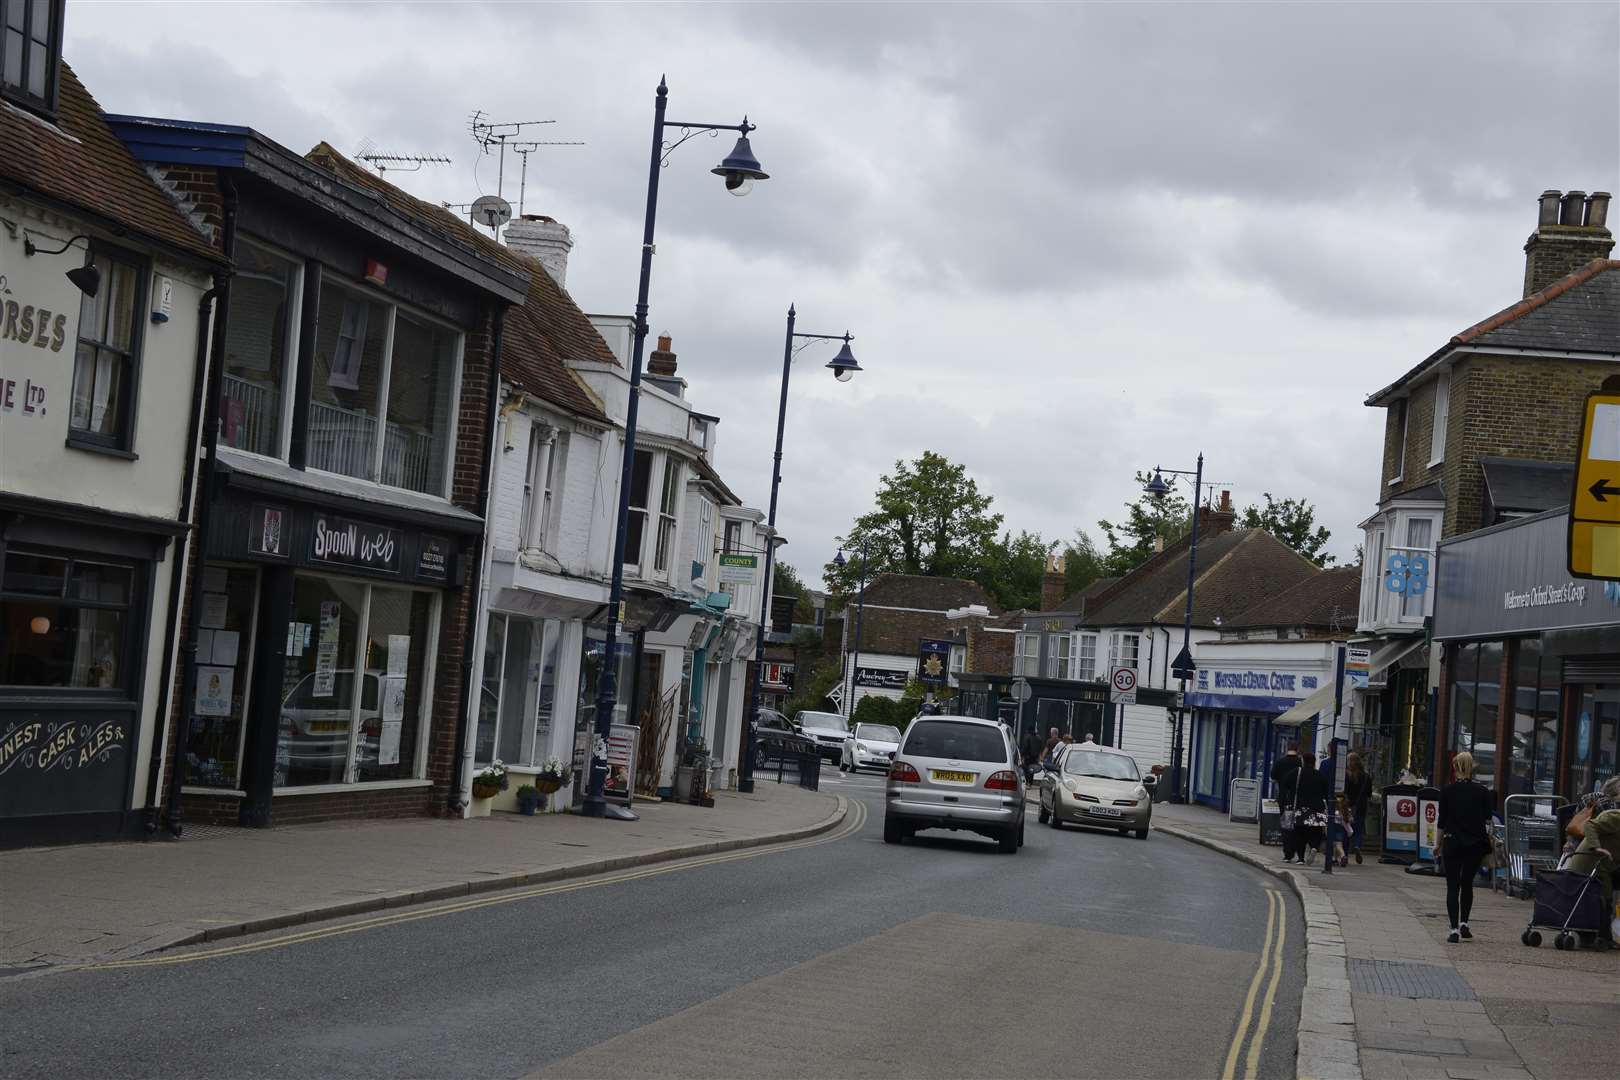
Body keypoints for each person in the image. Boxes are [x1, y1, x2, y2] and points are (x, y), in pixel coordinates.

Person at [1438, 751, 1494, 944]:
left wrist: (1438, 845)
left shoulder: (1447, 791)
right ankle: (1464, 923)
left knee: (1452, 885)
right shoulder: (1482, 792)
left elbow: (1441, 822)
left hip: (1452, 841)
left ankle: (1453, 929)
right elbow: (1488, 820)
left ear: (1455, 767)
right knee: (1467, 883)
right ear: (1472, 768)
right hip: (1475, 844)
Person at [1565, 805, 1620, 948]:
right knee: (1603, 899)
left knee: (1603, 900)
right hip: (1591, 863)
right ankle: (1600, 937)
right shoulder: (1616, 817)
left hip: (1601, 866)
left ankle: (1601, 937)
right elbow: (1590, 825)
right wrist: (1597, 847)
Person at [1293, 751, 1329, 864]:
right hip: (1317, 808)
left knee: (1300, 834)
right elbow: (1326, 792)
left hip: (1301, 808)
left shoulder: (1298, 773)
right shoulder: (1320, 775)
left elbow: (1285, 783)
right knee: (1317, 832)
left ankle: (1300, 858)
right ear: (1314, 762)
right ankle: (1314, 847)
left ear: (1303, 761)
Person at [1271, 744, 1304, 861]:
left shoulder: (1280, 762)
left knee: (1285, 826)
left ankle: (1287, 853)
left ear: (1287, 750)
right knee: (1297, 826)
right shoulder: (1301, 763)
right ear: (1297, 750)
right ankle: (1296, 850)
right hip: (1298, 799)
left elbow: (1273, 778)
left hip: (1284, 798)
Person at [1342, 752, 1373, 865]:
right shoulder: (1366, 776)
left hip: (1347, 806)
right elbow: (1369, 794)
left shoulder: (1346, 776)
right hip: (1361, 807)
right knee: (1358, 830)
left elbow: (1343, 791)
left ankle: (1344, 854)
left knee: (1346, 830)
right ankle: (1357, 846)